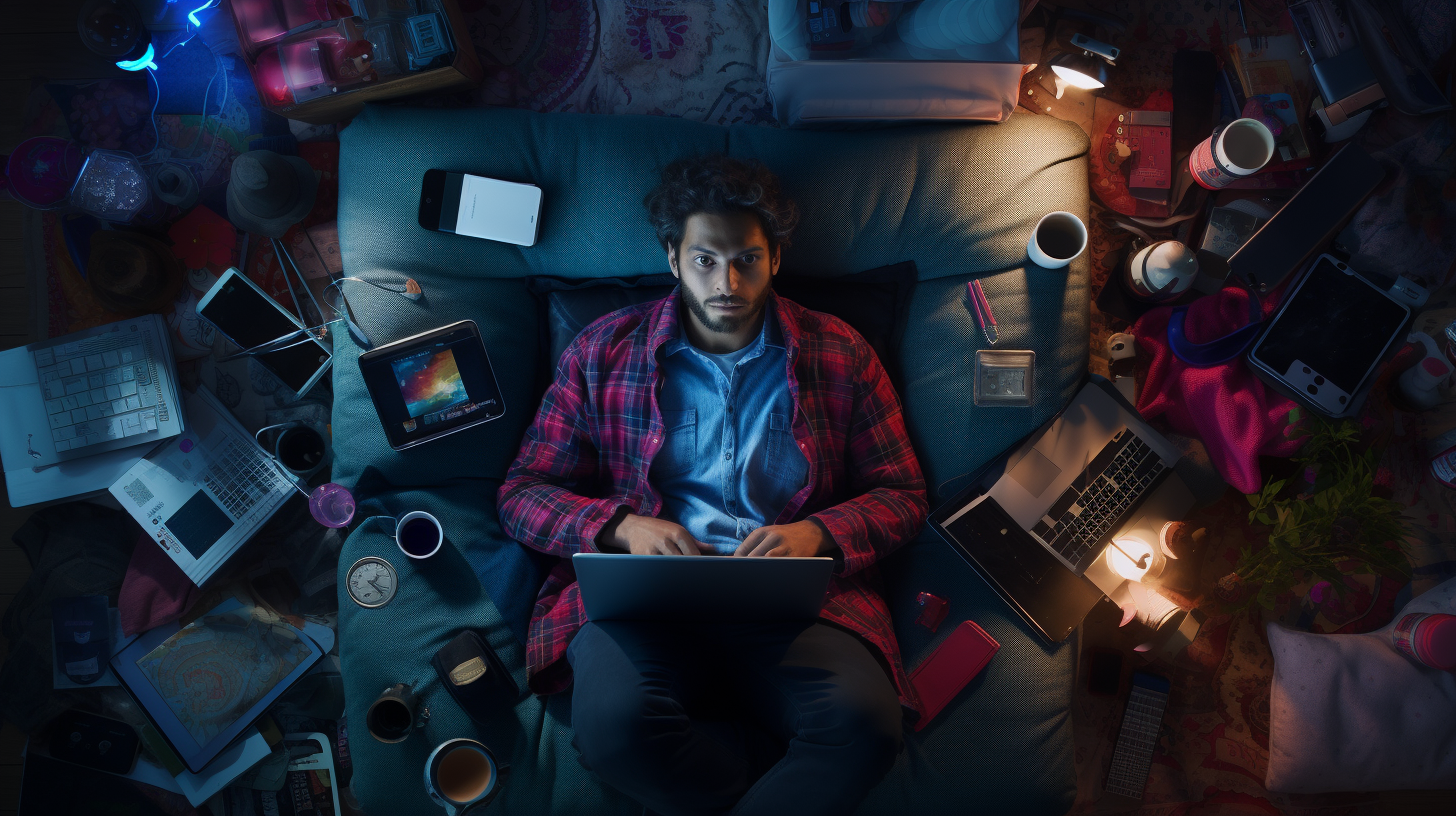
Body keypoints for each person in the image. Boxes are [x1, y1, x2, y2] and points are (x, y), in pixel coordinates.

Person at [497, 154, 927, 816]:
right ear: (672, 257)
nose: (726, 281)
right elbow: (523, 494)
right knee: (614, 734)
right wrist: (620, 527)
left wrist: (818, 532)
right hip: (644, 601)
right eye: (704, 260)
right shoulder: (601, 350)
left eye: (746, 260)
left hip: (793, 604)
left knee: (867, 732)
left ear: (775, 259)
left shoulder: (841, 353)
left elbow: (901, 495)